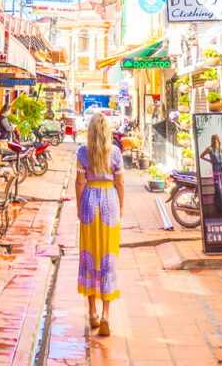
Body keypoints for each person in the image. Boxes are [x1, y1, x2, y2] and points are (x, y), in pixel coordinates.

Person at [75, 112, 124, 337]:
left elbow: (79, 182)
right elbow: (120, 183)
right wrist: (120, 208)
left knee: (89, 256)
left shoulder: (83, 153)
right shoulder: (115, 153)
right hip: (110, 203)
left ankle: (92, 313)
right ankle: (106, 315)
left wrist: (79, 207)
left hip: (89, 203)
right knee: (108, 257)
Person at [200, 133, 222, 215]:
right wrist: (210, 161)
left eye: (219, 138)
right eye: (216, 138)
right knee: (218, 188)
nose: (218, 140)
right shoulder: (210, 148)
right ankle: (219, 209)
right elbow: (202, 156)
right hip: (216, 169)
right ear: (213, 139)